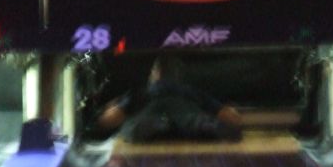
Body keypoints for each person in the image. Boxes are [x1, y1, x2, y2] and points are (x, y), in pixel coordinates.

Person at [97, 55, 242, 142]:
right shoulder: (192, 92)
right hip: (186, 119)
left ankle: (160, 123)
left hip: (148, 121)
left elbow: (109, 121)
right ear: (178, 75)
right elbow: (232, 118)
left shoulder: (142, 92)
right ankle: (201, 124)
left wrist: (110, 108)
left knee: (128, 129)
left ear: (157, 72)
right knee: (197, 121)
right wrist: (231, 111)